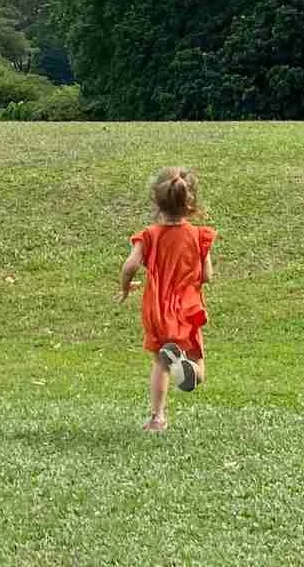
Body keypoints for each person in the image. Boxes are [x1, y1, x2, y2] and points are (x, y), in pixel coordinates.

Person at [116, 166, 217, 432]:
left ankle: (157, 418)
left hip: (157, 307)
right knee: (197, 370)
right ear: (191, 205)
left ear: (157, 203)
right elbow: (207, 275)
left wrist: (126, 287)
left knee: (160, 361)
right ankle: (187, 370)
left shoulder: (149, 236)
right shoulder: (199, 236)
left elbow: (129, 266)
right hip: (187, 306)